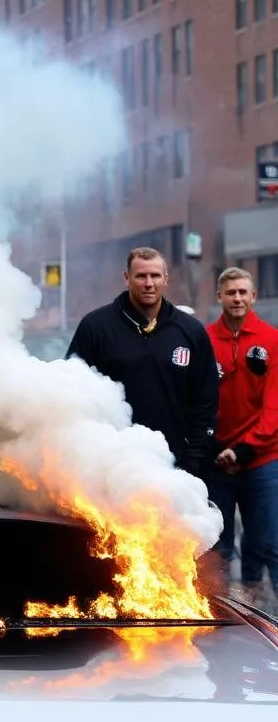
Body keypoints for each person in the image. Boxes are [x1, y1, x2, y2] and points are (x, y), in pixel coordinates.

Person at [66, 246, 218, 477]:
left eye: (155, 275)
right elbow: (73, 391)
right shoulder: (96, 326)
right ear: (127, 278)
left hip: (176, 465)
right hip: (111, 464)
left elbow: (205, 400)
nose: (149, 283)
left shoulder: (191, 330)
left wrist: (193, 458)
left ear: (166, 279)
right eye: (141, 276)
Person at [204, 268, 278, 601]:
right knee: (217, 542)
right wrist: (216, 446)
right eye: (230, 292)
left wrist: (246, 449)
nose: (237, 298)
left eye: (243, 292)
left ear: (253, 296)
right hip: (216, 457)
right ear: (219, 296)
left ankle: (258, 599)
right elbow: (196, 400)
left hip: (263, 457)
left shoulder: (272, 340)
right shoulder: (202, 339)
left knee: (265, 540)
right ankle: (220, 608)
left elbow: (274, 406)